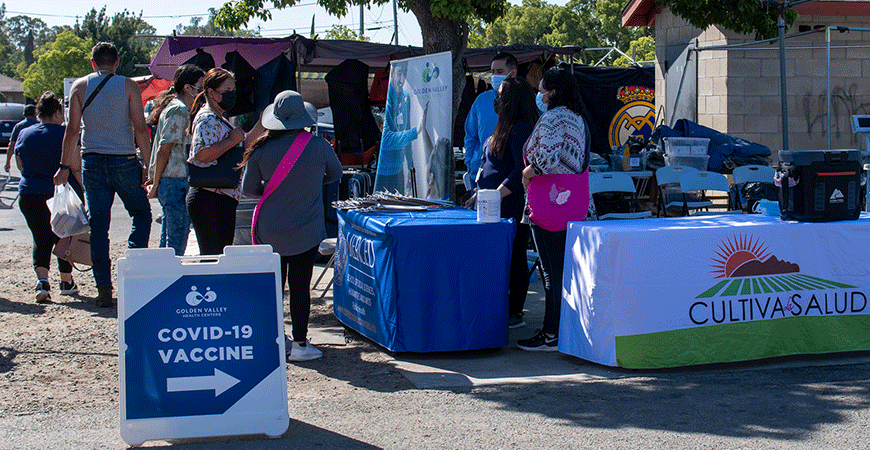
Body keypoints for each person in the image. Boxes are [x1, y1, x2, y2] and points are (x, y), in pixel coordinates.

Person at [241, 90, 342, 361]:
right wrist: (308, 184)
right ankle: (300, 344)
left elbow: (249, 188)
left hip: (269, 228)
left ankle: (272, 339)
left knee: (274, 286)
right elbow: (335, 174)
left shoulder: (260, 149)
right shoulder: (319, 145)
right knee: (300, 287)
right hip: (305, 228)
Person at [54, 41, 152, 308]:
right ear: (117, 62)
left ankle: (104, 288)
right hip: (124, 159)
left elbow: (72, 131)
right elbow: (140, 129)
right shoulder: (128, 86)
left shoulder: (79, 87)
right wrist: (150, 165)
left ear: (93, 62)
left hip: (92, 161)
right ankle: (132, 271)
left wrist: (64, 167)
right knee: (141, 214)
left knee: (99, 226)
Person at [517, 68, 591, 352]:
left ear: (553, 92)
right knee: (565, 271)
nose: (539, 93)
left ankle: (550, 333)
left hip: (548, 204)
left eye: (543, 88)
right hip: (574, 202)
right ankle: (562, 329)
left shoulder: (552, 119)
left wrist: (527, 172)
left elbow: (545, 159)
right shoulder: (577, 118)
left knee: (552, 273)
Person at [464, 77, 539, 329]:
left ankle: (514, 312)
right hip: (491, 205)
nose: (495, 100)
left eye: (500, 95)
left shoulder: (520, 128)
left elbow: (522, 168)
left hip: (512, 206)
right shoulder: (502, 127)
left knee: (515, 256)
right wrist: (478, 193)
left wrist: (496, 193)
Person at [187, 68, 263, 255]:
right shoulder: (207, 119)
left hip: (220, 197)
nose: (232, 94)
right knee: (213, 256)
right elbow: (201, 155)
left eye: (233, 90)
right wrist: (230, 141)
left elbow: (243, 144)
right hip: (210, 197)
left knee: (219, 255)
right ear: (212, 93)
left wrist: (262, 123)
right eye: (227, 90)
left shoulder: (219, 118)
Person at [15, 92, 80, 303]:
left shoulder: (24, 133)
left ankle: (42, 282)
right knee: (65, 235)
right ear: (57, 112)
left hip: (29, 192)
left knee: (40, 236)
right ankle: (66, 281)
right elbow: (76, 166)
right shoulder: (66, 134)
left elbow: (20, 164)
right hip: (59, 193)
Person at [145, 64, 205, 256]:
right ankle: (169, 278)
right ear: (188, 88)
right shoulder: (179, 110)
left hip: (172, 180)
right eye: (200, 86)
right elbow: (165, 148)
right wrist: (155, 182)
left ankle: (161, 277)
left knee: (169, 237)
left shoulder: (176, 108)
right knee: (177, 240)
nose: (203, 91)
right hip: (174, 180)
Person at [464, 52, 518, 186]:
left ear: (513, 73)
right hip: (480, 172)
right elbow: (471, 135)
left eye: (500, 71)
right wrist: (470, 162)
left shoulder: (524, 100)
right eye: (493, 72)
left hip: (511, 175)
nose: (495, 76)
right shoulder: (481, 100)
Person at [373, 61, 427, 195]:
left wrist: (410, 166)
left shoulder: (405, 97)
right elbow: (387, 139)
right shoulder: (387, 99)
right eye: (399, 74)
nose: (402, 79)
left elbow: (405, 131)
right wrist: (416, 131)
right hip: (383, 171)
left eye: (405, 74)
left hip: (399, 170)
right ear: (392, 75)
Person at [5, 104, 38, 172]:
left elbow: (11, 145)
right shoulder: (39, 125)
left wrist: (7, 162)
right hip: (37, 156)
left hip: (21, 156)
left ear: (24, 114)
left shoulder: (18, 126)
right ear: (35, 114)